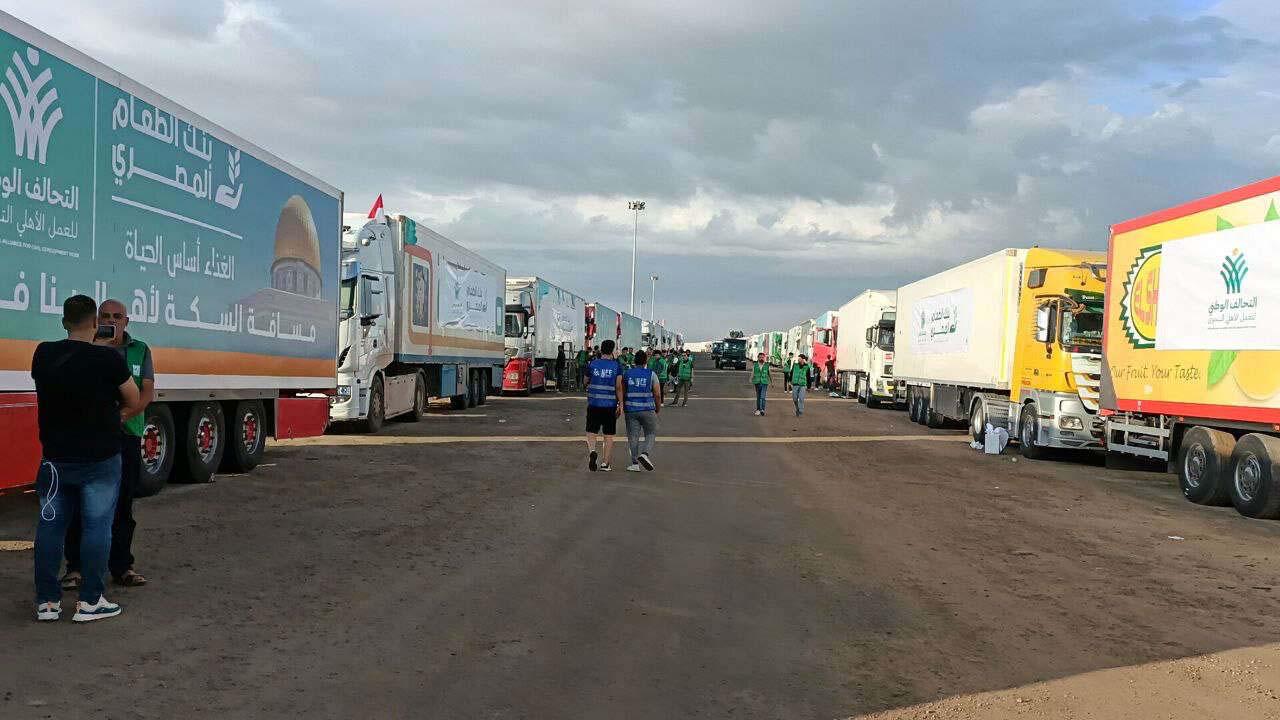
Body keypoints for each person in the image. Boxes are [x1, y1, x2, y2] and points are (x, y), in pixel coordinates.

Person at [32, 295, 142, 623]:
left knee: (50, 527)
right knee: (97, 527)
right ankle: (91, 601)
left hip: (54, 459)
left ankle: (47, 602)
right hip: (100, 459)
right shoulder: (108, 360)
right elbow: (134, 398)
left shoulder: (43, 353)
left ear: (64, 322)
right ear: (96, 323)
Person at [62, 299, 153, 593]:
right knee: (80, 504)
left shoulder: (140, 350)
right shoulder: (85, 350)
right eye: (105, 316)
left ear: (127, 321)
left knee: (122, 504)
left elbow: (146, 392)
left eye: (117, 317)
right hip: (90, 438)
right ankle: (75, 568)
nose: (111, 321)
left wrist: (121, 416)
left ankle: (122, 566)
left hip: (126, 435)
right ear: (95, 320)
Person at [619, 350, 662, 472]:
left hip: (631, 410)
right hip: (648, 409)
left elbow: (622, 391)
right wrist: (657, 408)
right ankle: (645, 454)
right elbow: (657, 394)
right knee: (651, 433)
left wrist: (621, 405)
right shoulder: (651, 374)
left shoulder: (627, 374)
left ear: (634, 361)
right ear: (646, 361)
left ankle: (634, 464)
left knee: (633, 436)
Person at [584, 339, 623, 472]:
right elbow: (618, 387)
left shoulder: (592, 364)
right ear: (612, 350)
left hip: (594, 403)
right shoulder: (616, 366)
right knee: (608, 435)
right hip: (609, 405)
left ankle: (592, 451)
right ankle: (605, 464)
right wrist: (620, 404)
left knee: (591, 431)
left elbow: (585, 381)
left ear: (601, 349)